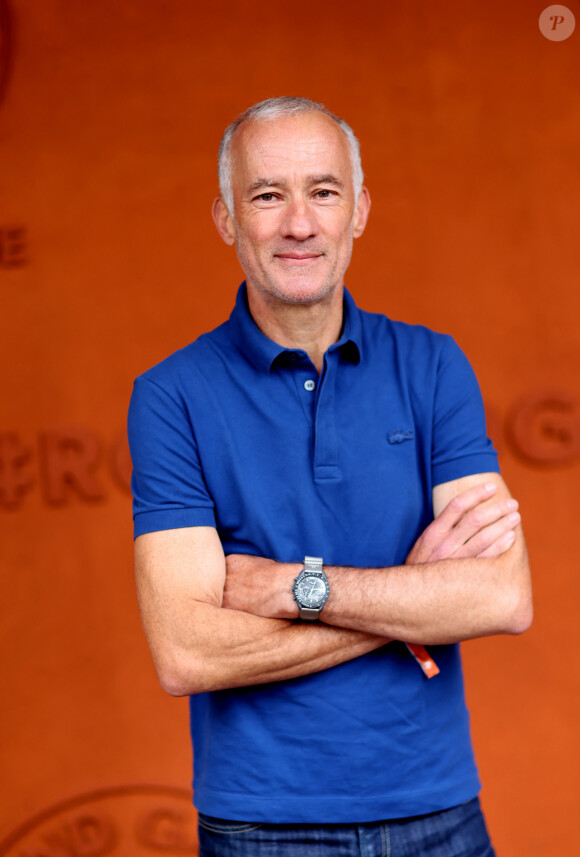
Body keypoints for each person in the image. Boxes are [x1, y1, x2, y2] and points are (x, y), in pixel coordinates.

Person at [128, 96, 532, 857]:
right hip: (261, 827)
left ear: (360, 209)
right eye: (267, 195)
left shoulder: (434, 365)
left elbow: (502, 596)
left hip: (441, 810)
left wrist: (292, 587)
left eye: (323, 190)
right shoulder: (171, 394)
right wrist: (411, 596)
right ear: (225, 218)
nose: (300, 224)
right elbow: (186, 652)